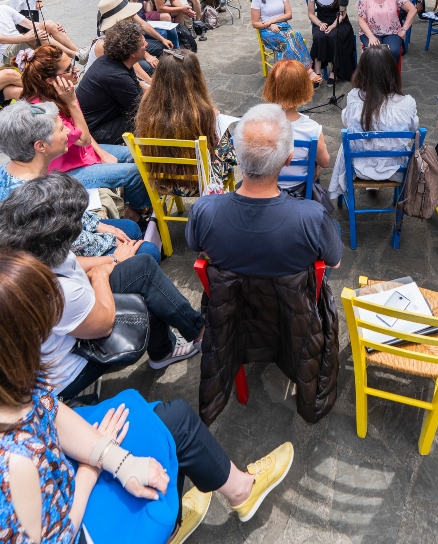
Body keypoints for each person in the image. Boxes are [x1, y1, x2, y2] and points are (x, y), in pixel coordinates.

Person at [0, 249, 295, 541]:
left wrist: (113, 457)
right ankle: (184, 517)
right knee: (169, 432)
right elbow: (58, 536)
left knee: (170, 419)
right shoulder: (14, 463)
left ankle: (197, 509)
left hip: (57, 458)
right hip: (75, 520)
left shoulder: (15, 381)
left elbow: (47, 407)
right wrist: (91, 469)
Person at [0, 174, 207, 394]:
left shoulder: (30, 247)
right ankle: (198, 338)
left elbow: (73, 262)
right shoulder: (58, 292)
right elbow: (104, 322)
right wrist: (100, 277)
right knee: (145, 293)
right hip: (72, 366)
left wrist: (115, 259)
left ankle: (182, 340)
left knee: (142, 268)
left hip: (74, 313)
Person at [187, 103, 342, 274]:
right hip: (293, 299)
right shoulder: (314, 217)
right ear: (288, 159)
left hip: (232, 299)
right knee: (334, 226)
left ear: (237, 156)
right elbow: (334, 262)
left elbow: (200, 248)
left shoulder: (203, 211)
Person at [0, 100, 158, 262]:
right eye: (61, 129)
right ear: (40, 146)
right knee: (148, 252)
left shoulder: (11, 169)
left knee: (130, 228)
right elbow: (75, 246)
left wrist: (97, 224)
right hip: (60, 264)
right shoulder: (35, 199)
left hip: (64, 243)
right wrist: (114, 253)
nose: (68, 131)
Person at [17, 45, 152, 213]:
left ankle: (131, 204)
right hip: (66, 172)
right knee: (134, 172)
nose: (76, 69)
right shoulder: (44, 110)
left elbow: (83, 132)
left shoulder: (58, 93)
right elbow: (83, 139)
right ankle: (141, 214)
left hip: (82, 155)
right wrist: (72, 102)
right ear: (50, 80)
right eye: (68, 69)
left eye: (72, 63)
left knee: (136, 154)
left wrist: (102, 154)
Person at [135, 48, 237, 192]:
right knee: (227, 140)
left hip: (162, 179)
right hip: (198, 181)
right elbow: (211, 146)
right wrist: (214, 119)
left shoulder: (147, 104)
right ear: (195, 77)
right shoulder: (202, 113)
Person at [328, 44, 418, 198]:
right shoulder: (407, 102)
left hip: (359, 167)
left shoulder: (354, 97)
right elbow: (413, 126)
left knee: (349, 140)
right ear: (392, 71)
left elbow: (347, 122)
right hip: (395, 168)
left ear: (362, 71)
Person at [262, 60, 331, 190]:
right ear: (304, 89)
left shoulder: (258, 124)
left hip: (265, 189)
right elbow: (325, 162)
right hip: (299, 189)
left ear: (270, 87)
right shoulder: (312, 128)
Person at [76, 19, 146, 145]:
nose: (146, 44)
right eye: (142, 43)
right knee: (147, 119)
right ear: (132, 53)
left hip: (102, 119)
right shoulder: (117, 76)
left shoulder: (115, 60)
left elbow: (137, 89)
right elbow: (140, 108)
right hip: (95, 131)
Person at [251, 0, 322, 83]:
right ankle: (308, 71)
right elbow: (255, 23)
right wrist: (268, 25)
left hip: (283, 27)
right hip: (268, 31)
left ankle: (283, 76)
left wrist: (272, 21)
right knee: (291, 38)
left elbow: (289, 15)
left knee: (295, 36)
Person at [106, 0, 177, 54]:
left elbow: (143, 23)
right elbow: (124, 33)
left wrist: (163, 40)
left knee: (165, 38)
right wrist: (146, 55)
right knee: (161, 45)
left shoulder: (123, 0)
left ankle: (177, 55)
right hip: (122, 48)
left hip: (134, 34)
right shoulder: (110, 4)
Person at [0, 0, 89, 69]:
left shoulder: (4, 8)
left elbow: (31, 24)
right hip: (7, 54)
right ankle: (75, 55)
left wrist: (53, 26)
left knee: (48, 24)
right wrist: (26, 38)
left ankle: (81, 54)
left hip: (21, 43)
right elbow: (1, 39)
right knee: (36, 35)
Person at [356, 0, 417, 64]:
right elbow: (361, 20)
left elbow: (413, 10)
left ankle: (390, 77)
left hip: (392, 31)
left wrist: (404, 29)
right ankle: (374, 78)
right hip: (371, 31)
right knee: (374, 52)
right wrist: (371, 36)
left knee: (393, 51)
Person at [306, 0, 356, 81]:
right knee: (319, 36)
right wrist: (319, 24)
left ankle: (334, 70)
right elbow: (311, 14)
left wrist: (334, 25)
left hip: (339, 21)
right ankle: (317, 71)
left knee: (334, 36)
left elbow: (343, 13)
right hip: (321, 21)